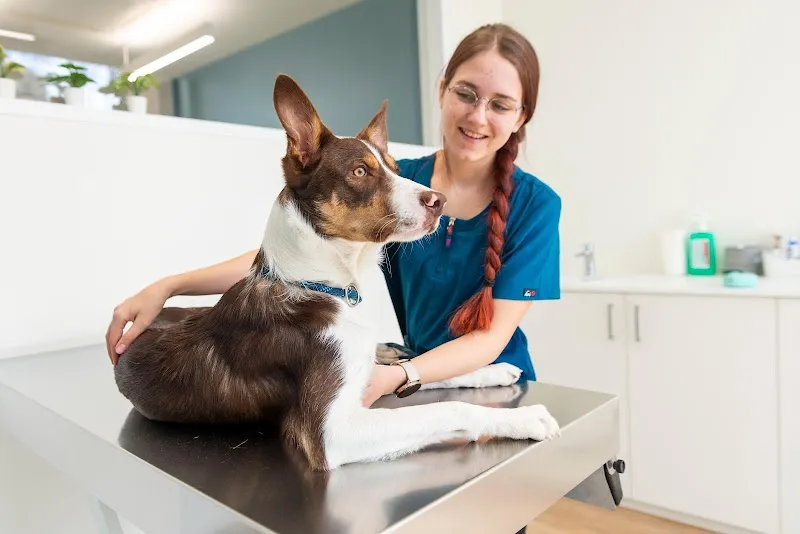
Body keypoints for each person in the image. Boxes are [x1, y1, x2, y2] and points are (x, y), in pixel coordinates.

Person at [107, 22, 557, 534]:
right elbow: (288, 254)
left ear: (522, 116)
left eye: (500, 104)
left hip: (475, 379)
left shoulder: (531, 203)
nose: (479, 115)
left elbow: (490, 338)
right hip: (405, 382)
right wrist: (167, 286)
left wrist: (420, 381)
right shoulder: (395, 172)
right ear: (443, 90)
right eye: (467, 94)